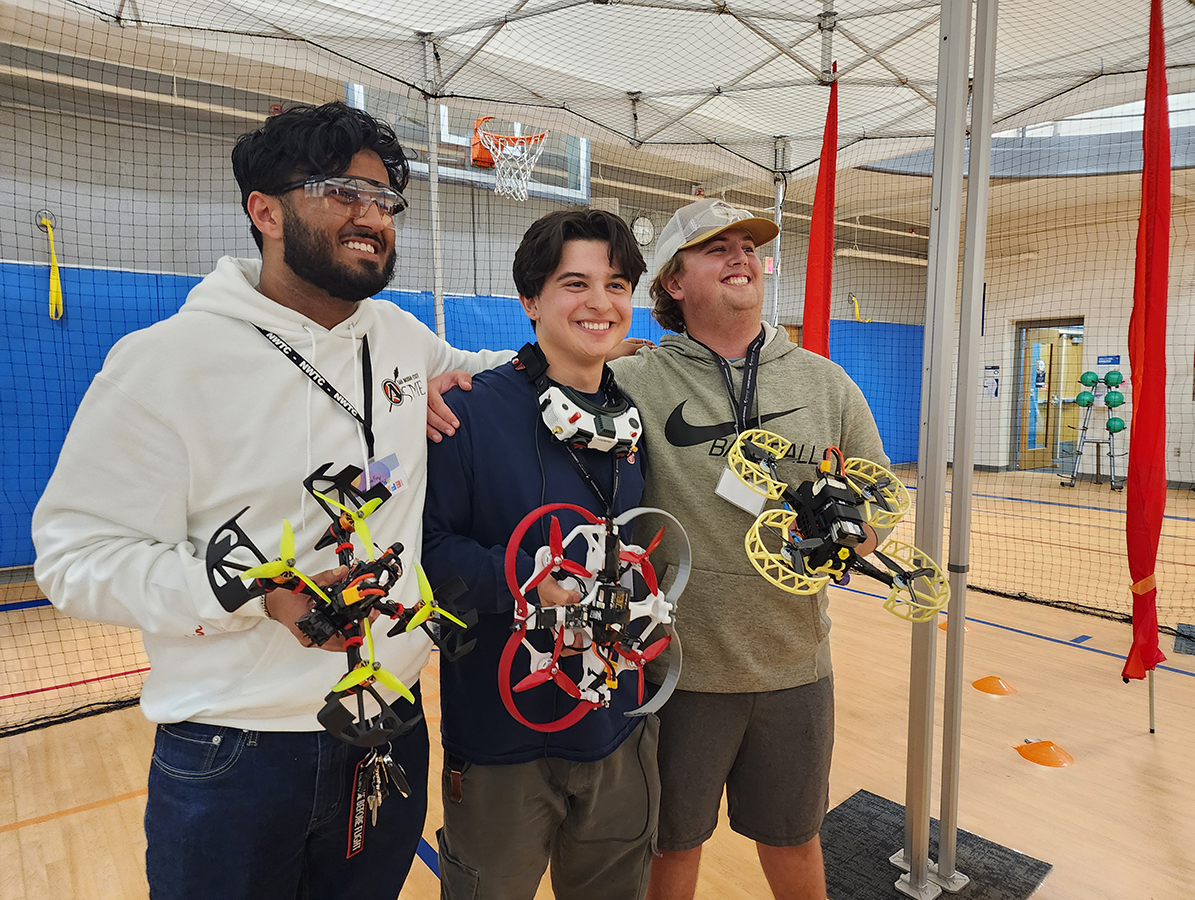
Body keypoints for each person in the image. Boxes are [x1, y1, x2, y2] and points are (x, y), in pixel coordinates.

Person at [31, 101, 509, 900]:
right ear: (265, 210)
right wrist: (252, 594)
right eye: (341, 192)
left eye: (386, 199)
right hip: (237, 753)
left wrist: (634, 345)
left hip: (390, 729)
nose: (372, 215)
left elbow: (500, 371)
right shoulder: (164, 362)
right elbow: (74, 557)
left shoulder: (397, 338)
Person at [606, 198, 888, 900]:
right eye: (715, 248)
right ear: (674, 281)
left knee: (793, 842)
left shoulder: (825, 381)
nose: (741, 257)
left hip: (794, 665)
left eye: (748, 246)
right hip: (677, 671)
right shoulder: (632, 382)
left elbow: (880, 495)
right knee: (669, 850)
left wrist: (858, 530)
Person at [421, 209, 660, 900]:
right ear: (530, 300)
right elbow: (430, 556)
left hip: (618, 730)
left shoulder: (630, 417)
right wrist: (523, 578)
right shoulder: (467, 412)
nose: (599, 303)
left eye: (616, 284)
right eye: (574, 282)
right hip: (502, 748)